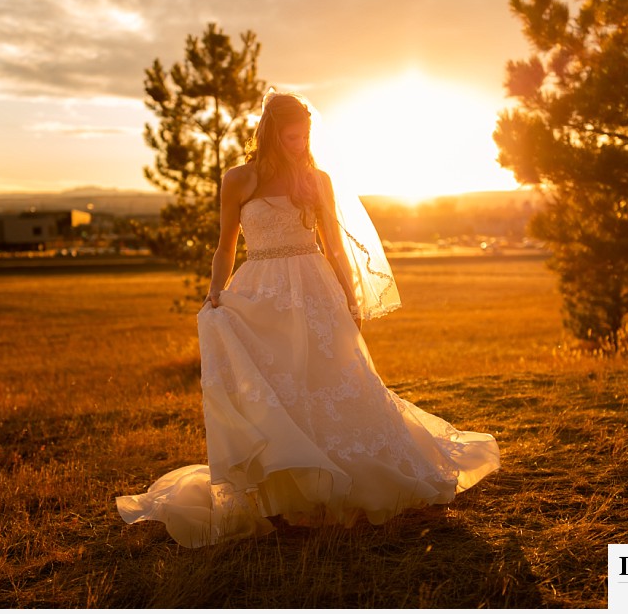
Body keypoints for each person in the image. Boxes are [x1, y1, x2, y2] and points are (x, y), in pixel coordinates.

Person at [116, 92, 500, 547]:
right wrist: (215, 291)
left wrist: (351, 298)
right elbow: (225, 246)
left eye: (306, 136)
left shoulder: (317, 180)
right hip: (261, 289)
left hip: (316, 288)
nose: (300, 144)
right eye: (292, 136)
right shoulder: (238, 179)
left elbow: (335, 246)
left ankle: (344, 478)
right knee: (277, 387)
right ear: (270, 132)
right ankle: (284, 485)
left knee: (335, 380)